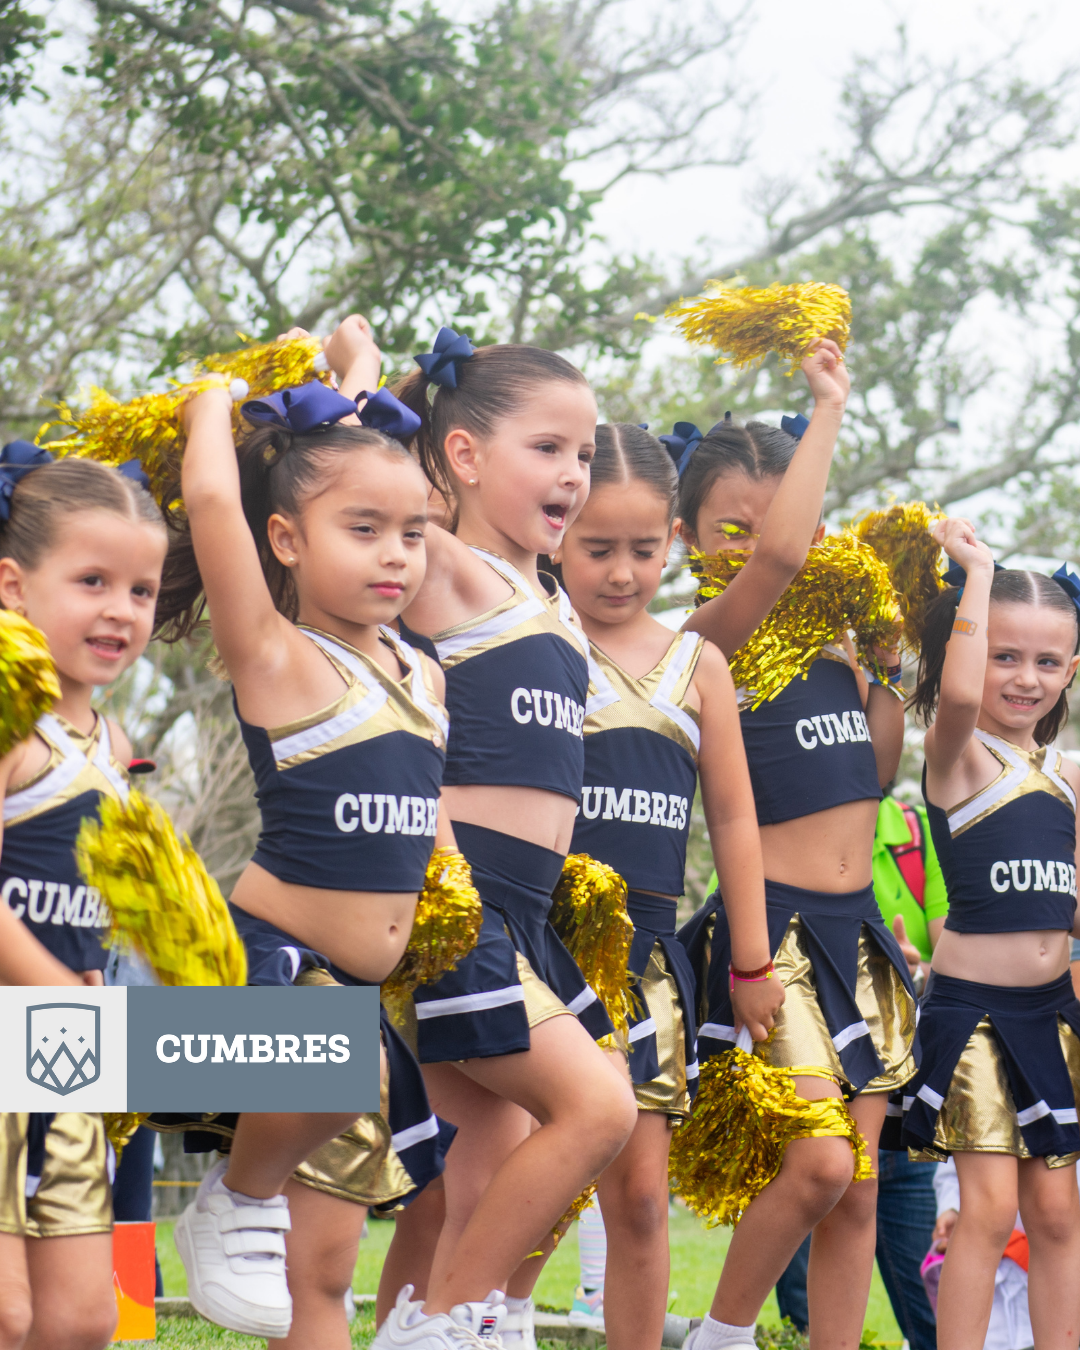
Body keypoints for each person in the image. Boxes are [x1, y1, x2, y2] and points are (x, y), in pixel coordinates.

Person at [151, 317, 454, 1349]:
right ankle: (234, 1196)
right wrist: (210, 404)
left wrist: (351, 378)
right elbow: (209, 503)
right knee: (345, 1069)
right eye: (362, 532)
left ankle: (253, 1203)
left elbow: (355, 471)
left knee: (316, 1274)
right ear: (287, 540)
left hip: (362, 993)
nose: (396, 554)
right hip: (269, 971)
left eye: (412, 534)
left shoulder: (423, 672)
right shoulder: (280, 658)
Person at [361, 328, 638, 1348]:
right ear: (466, 456)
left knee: (470, 1182)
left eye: (585, 452)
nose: (574, 473)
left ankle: (428, 1321)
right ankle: (452, 1321)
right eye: (549, 447)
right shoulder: (444, 564)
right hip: (458, 899)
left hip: (531, 910)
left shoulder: (548, 595)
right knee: (599, 1110)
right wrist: (366, 382)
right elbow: (353, 481)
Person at [672, 338, 919, 1350]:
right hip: (770, 929)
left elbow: (878, 770)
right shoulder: (705, 640)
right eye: (732, 526)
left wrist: (892, 662)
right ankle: (724, 1334)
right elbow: (776, 561)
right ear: (687, 533)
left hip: (857, 930)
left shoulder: (833, 646)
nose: (761, 543)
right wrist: (828, 408)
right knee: (818, 1163)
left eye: (778, 524)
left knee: (855, 1189)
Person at [531, 422, 777, 1350]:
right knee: (523, 1178)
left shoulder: (698, 663)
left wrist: (750, 963)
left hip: (649, 957)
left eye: (644, 548)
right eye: (597, 547)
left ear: (675, 539)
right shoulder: (533, 640)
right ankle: (482, 1322)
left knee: (638, 1197)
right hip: (536, 945)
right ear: (558, 530)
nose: (623, 571)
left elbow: (735, 822)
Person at [0, 447, 169, 1350]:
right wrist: (56, 992)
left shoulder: (111, 735)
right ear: (13, 586)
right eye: (93, 580)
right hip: (22, 1024)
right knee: (10, 1311)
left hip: (62, 1052)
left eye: (140, 591)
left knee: (81, 1318)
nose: (121, 610)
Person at [897, 518, 1080, 1350]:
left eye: (1048, 661)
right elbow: (961, 693)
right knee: (989, 1209)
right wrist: (974, 572)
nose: (1026, 678)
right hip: (971, 1015)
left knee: (1055, 1211)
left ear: (1072, 670)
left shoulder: (1068, 776)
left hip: (1051, 1016)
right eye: (1007, 655)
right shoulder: (959, 754)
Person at [775, 786, 947, 1350]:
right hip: (808, 1100)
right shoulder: (781, 824)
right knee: (802, 1315)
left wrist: (909, 967)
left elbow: (960, 942)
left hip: (897, 1102)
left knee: (931, 1311)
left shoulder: (918, 839)